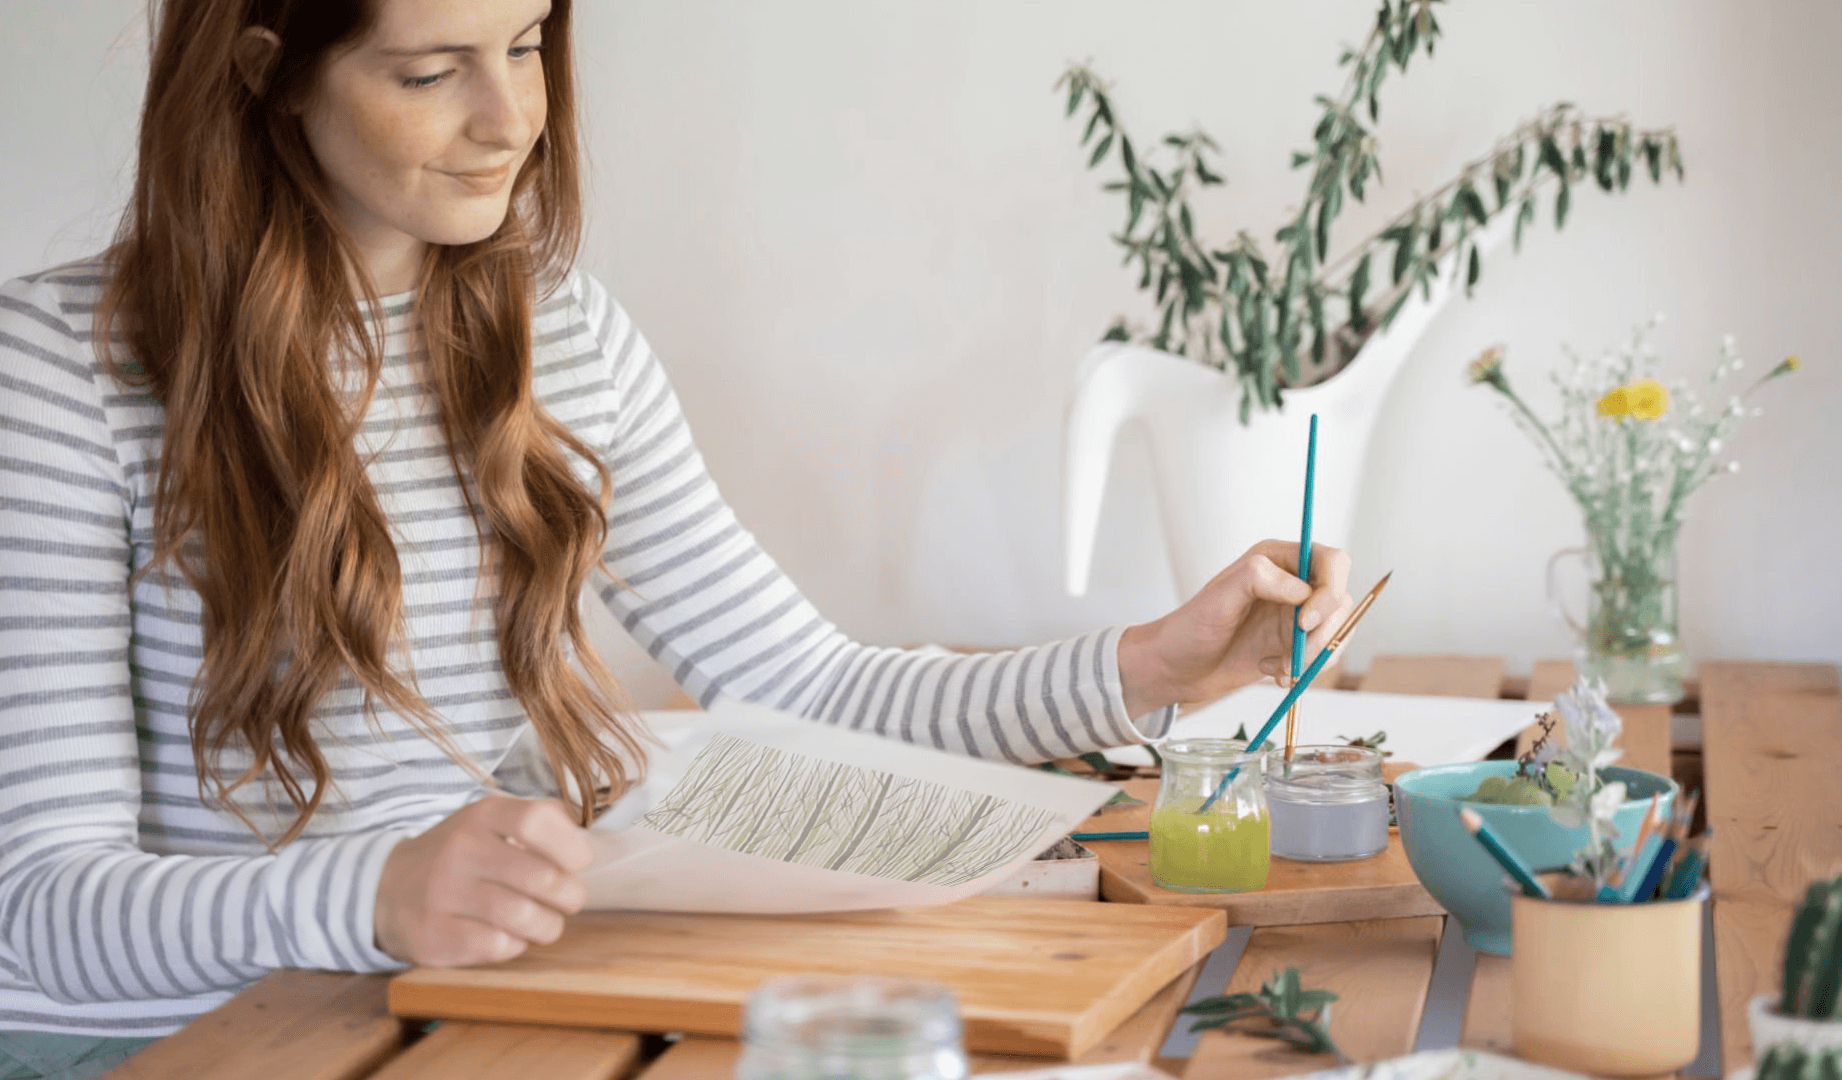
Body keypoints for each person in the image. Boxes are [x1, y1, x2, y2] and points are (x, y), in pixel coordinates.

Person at [0, 0, 1352, 1073]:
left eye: (527, 45)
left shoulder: (561, 333)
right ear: (266, 71)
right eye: (428, 73)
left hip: (450, 1003)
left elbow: (807, 687)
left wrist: (1144, 670)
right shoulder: (58, 375)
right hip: (160, 1037)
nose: (506, 119)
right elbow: (47, 903)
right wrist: (376, 893)